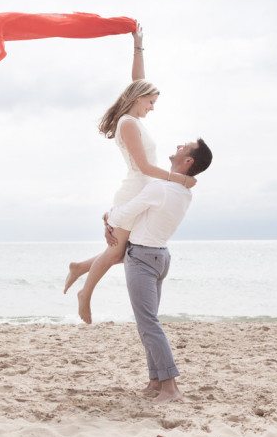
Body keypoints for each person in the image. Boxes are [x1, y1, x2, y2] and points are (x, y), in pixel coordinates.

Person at [64, 28, 195, 324]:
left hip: (143, 190)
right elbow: (145, 168)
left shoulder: (133, 119)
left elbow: (138, 81)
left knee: (127, 252)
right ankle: (85, 293)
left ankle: (79, 267)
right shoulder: (128, 124)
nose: (152, 108)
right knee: (116, 253)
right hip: (135, 189)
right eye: (151, 102)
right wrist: (181, 180)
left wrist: (138, 46)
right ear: (139, 99)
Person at [106, 138, 212, 403]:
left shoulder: (160, 188)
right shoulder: (184, 191)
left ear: (188, 160)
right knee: (148, 322)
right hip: (160, 256)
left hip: (142, 257)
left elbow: (121, 216)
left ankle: (170, 388)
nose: (177, 146)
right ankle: (155, 380)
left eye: (183, 147)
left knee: (149, 324)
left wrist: (108, 216)